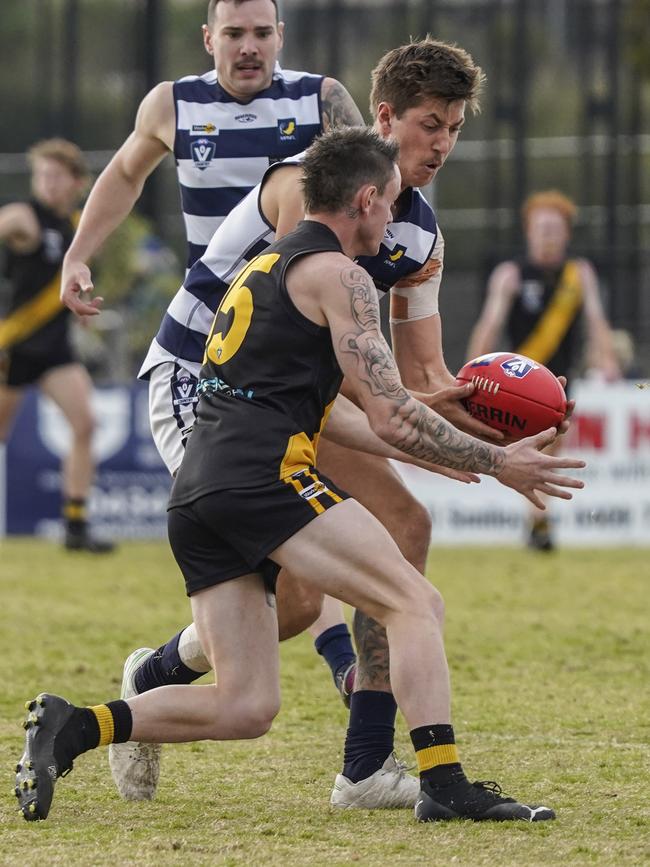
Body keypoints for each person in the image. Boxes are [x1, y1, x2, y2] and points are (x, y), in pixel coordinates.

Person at [15, 127, 586, 825]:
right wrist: (501, 461)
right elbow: (388, 413)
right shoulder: (342, 275)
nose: (396, 221)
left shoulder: (262, 268)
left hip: (201, 490)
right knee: (413, 601)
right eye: (393, 203)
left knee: (247, 703)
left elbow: (337, 413)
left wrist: (436, 441)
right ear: (368, 198)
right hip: (265, 477)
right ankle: (444, 780)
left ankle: (75, 726)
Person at [107, 38, 507, 808]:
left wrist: (507, 425)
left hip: (298, 399)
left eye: (456, 127)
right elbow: (296, 332)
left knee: (402, 527)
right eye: (431, 123)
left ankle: (361, 766)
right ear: (385, 115)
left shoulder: (420, 238)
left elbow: (425, 379)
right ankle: (158, 677)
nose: (443, 143)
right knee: (285, 575)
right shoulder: (308, 188)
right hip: (206, 383)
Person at [60, 0, 364, 705]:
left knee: (300, 557)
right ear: (209, 39)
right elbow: (125, 174)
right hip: (208, 359)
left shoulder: (320, 101)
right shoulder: (174, 103)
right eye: (234, 33)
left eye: (262, 33)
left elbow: (372, 195)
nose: (249, 46)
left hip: (294, 356)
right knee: (275, 544)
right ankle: (341, 663)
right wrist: (79, 253)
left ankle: (161, 670)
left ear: (280, 37)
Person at [467, 189, 620, 550]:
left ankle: (537, 519)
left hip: (563, 381)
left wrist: (607, 358)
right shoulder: (511, 275)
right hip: (520, 385)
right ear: (528, 232)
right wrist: (471, 370)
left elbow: (597, 320)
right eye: (541, 228)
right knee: (536, 452)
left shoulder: (578, 274)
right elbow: (489, 324)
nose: (548, 236)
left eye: (555, 229)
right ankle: (539, 520)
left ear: (567, 233)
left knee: (551, 453)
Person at [0, 139, 113, 553]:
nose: (46, 183)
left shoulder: (79, 227)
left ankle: (75, 526)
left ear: (77, 183)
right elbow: (8, 223)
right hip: (11, 347)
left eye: (55, 176)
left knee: (85, 425)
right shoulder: (24, 217)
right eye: (41, 175)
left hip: (54, 350)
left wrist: (81, 307)